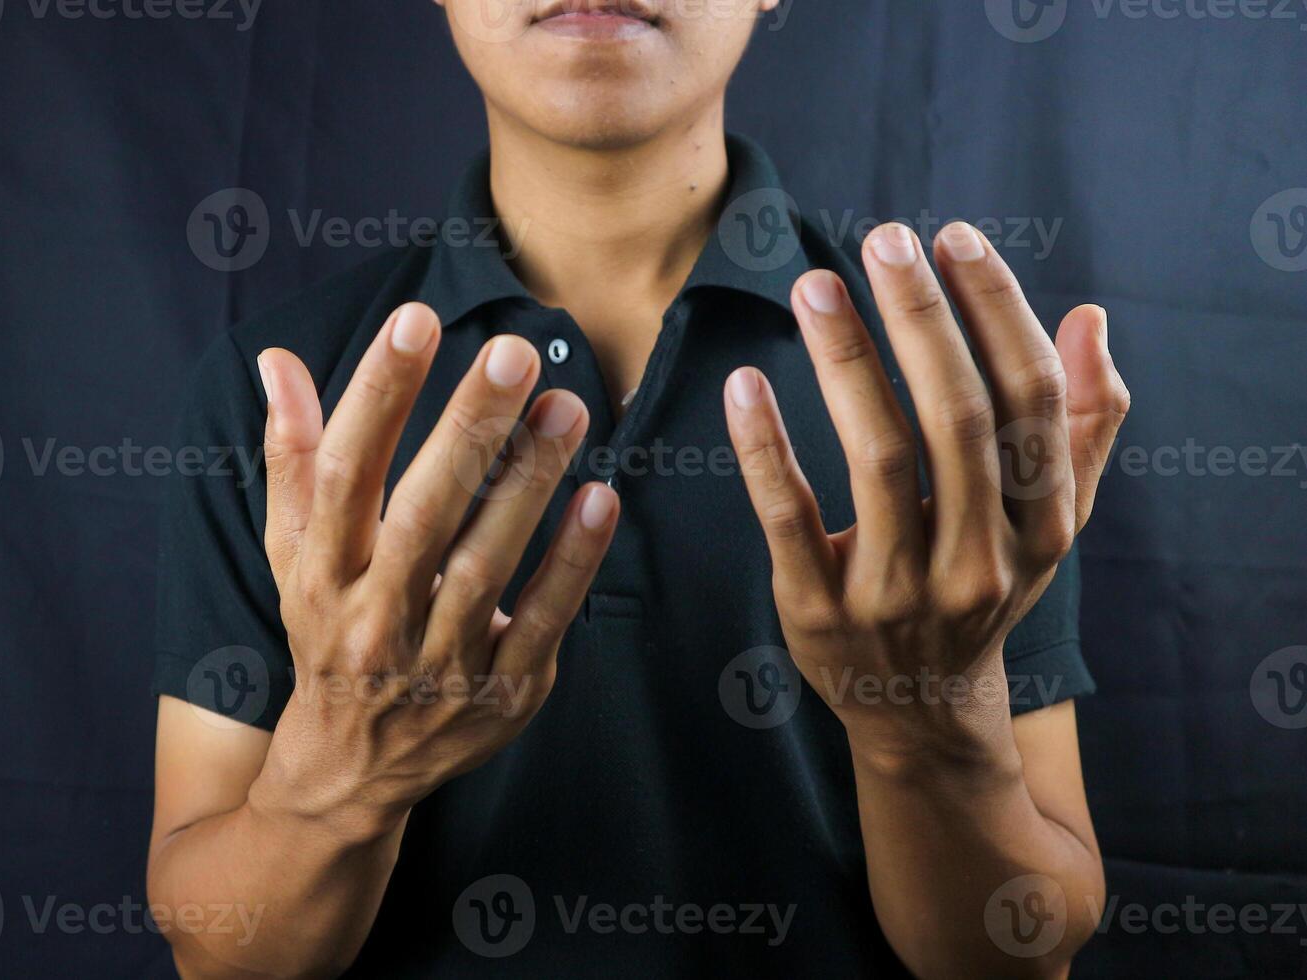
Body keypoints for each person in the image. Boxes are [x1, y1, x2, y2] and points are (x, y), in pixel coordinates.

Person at [147, 1, 1131, 976]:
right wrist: (339, 776)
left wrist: (924, 730)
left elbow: (1022, 953)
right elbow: (216, 952)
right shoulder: (281, 401)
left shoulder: (947, 400)